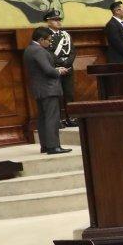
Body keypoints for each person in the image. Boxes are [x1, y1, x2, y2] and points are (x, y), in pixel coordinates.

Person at [26, 26, 71, 155]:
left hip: (39, 89)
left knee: (43, 118)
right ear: (41, 39)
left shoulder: (29, 49)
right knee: (52, 118)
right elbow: (47, 70)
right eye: (49, 40)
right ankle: (53, 146)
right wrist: (59, 70)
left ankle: (45, 145)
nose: (50, 42)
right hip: (48, 89)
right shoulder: (39, 51)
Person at [44, 10, 77, 127]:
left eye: (59, 20)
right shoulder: (45, 35)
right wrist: (60, 63)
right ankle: (59, 119)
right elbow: (48, 52)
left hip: (68, 68)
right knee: (57, 95)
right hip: (55, 69)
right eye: (55, 20)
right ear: (48, 22)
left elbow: (73, 51)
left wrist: (67, 63)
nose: (58, 22)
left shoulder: (66, 35)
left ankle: (71, 118)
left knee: (69, 93)